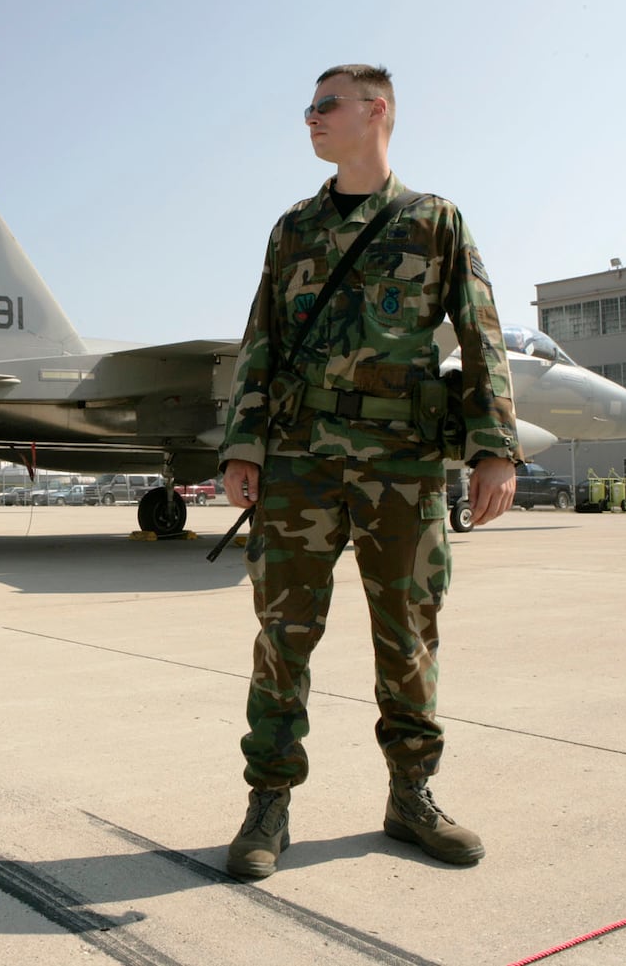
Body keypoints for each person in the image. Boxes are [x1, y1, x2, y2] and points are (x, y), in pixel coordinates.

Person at [218, 64, 523, 877]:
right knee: (283, 634)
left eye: (326, 105)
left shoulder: (435, 221)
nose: (309, 118)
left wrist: (494, 447)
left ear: (376, 111)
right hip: (302, 463)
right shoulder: (292, 230)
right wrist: (244, 444)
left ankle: (411, 795)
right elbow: (261, 341)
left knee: (410, 635)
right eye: (310, 106)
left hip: (403, 464)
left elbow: (481, 332)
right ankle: (268, 803)